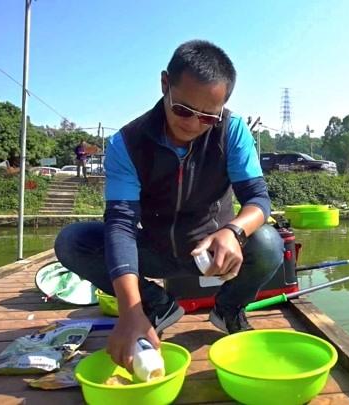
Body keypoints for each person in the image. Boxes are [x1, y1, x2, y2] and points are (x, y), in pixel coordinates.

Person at [54, 40, 283, 373]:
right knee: (72, 242)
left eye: (207, 117)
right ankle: (156, 306)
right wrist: (130, 310)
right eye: (183, 110)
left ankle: (229, 308)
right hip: (156, 250)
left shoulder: (232, 131)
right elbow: (120, 224)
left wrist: (233, 231)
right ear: (165, 85)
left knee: (268, 243)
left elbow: (258, 199)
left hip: (210, 254)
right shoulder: (127, 143)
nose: (192, 124)